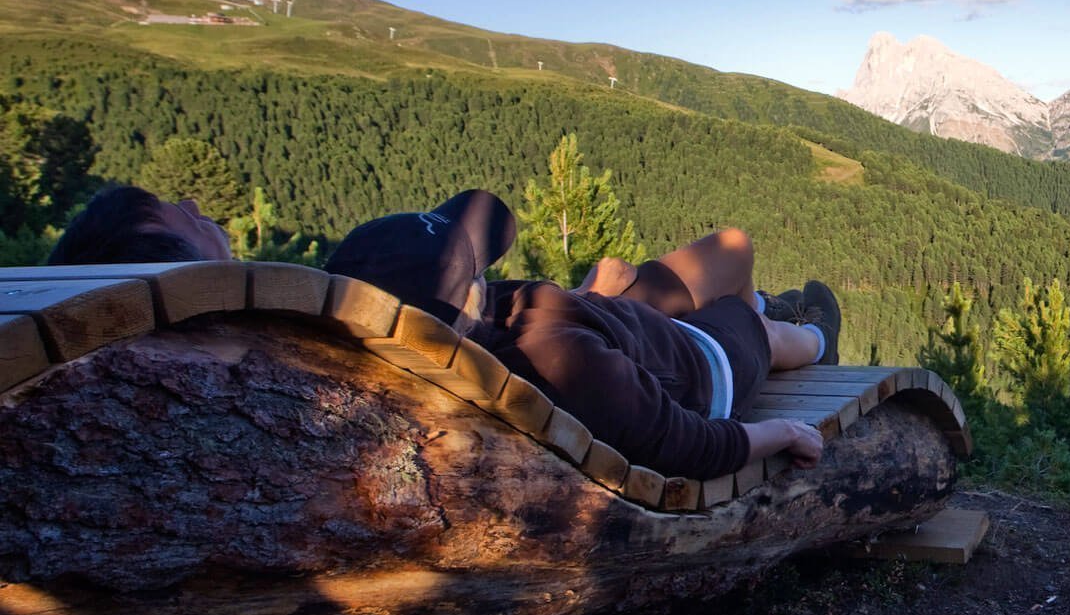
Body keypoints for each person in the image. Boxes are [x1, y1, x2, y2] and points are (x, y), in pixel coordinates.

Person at [44, 185, 835, 481]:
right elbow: (675, 440)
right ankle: (801, 329)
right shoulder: (549, 356)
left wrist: (583, 300)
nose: (192, 201)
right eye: (175, 209)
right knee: (748, 295)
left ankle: (733, 306)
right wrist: (778, 431)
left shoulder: (308, 316)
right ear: (169, 248)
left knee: (664, 266)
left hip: (585, 325)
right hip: (685, 365)